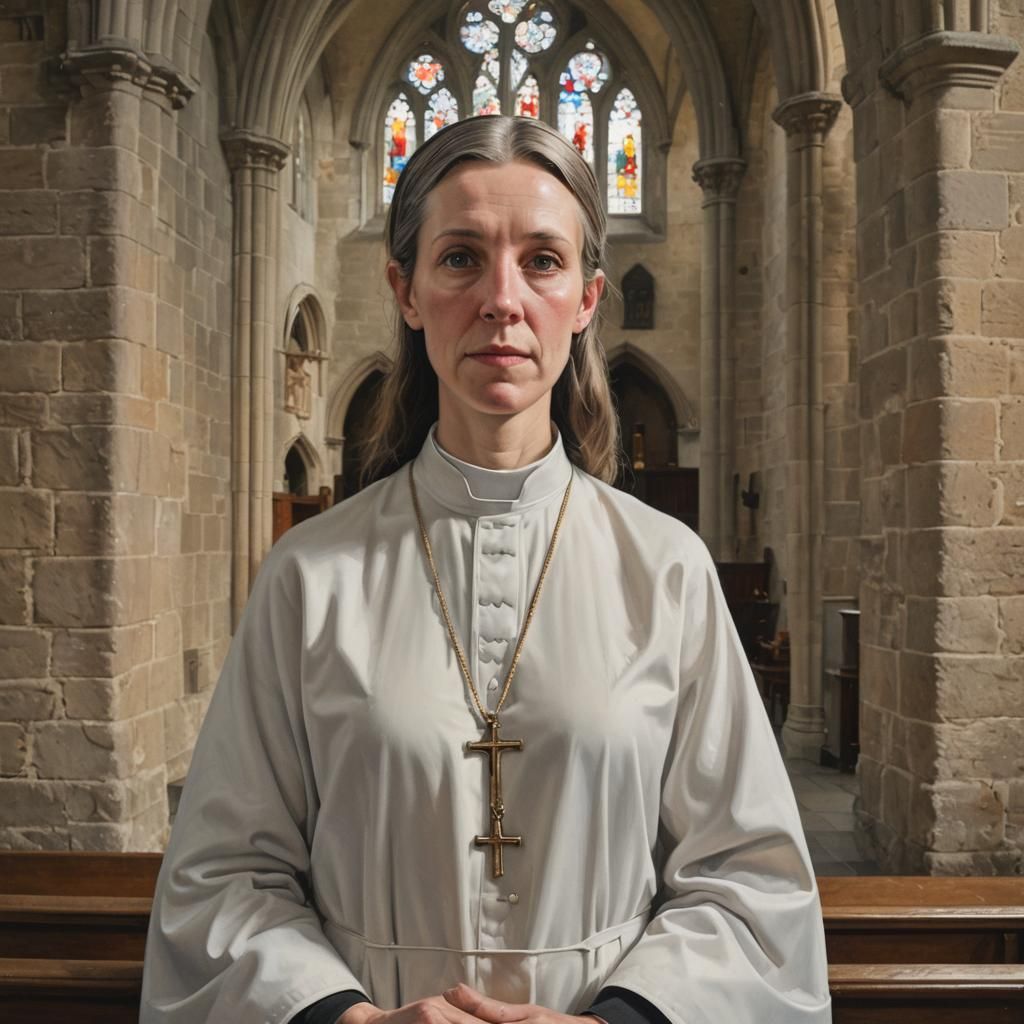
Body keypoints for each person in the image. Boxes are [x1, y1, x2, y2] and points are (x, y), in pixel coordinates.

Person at [140, 116, 831, 1024]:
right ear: (407, 290)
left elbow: (750, 882)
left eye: (541, 261)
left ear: (586, 299)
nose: (501, 299)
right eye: (461, 258)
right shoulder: (309, 577)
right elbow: (224, 876)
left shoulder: (666, 570)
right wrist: (349, 1021)